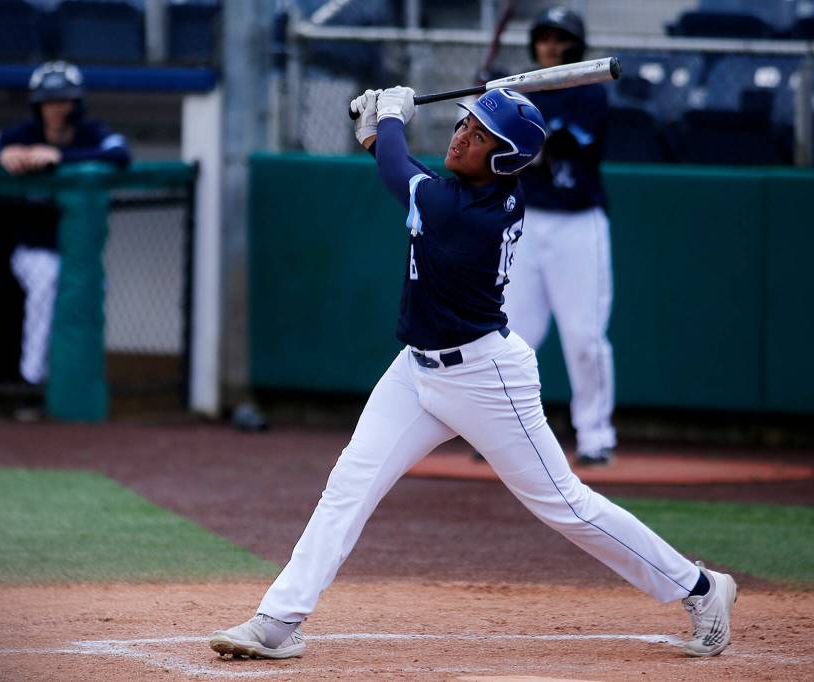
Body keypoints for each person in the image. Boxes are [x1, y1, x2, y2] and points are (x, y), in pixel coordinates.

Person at [208, 86, 736, 661]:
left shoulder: (468, 213)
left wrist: (386, 120)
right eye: (465, 124)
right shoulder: (464, 195)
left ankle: (702, 588)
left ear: (505, 159)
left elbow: (399, 173)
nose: (461, 136)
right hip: (416, 371)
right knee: (347, 488)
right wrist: (373, 133)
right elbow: (404, 172)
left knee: (566, 505)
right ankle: (279, 620)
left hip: (487, 379)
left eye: (480, 135)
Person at [0, 61, 131, 398]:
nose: (56, 109)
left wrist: (58, 157)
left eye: (63, 100)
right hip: (33, 248)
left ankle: (77, 382)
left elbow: (119, 153)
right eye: (49, 101)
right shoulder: (23, 134)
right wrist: (6, 155)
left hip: (79, 252)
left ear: (76, 103)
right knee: (46, 282)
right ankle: (32, 381)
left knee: (88, 298)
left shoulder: (91, 134)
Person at [501, 6, 617, 466]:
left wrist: (515, 129)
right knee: (513, 335)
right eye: (544, 37)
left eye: (560, 38)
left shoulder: (591, 91)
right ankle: (504, 435)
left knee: (584, 336)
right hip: (528, 223)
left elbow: (561, 144)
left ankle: (595, 434)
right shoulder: (517, 89)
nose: (550, 46)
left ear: (577, 45)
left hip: (578, 222)